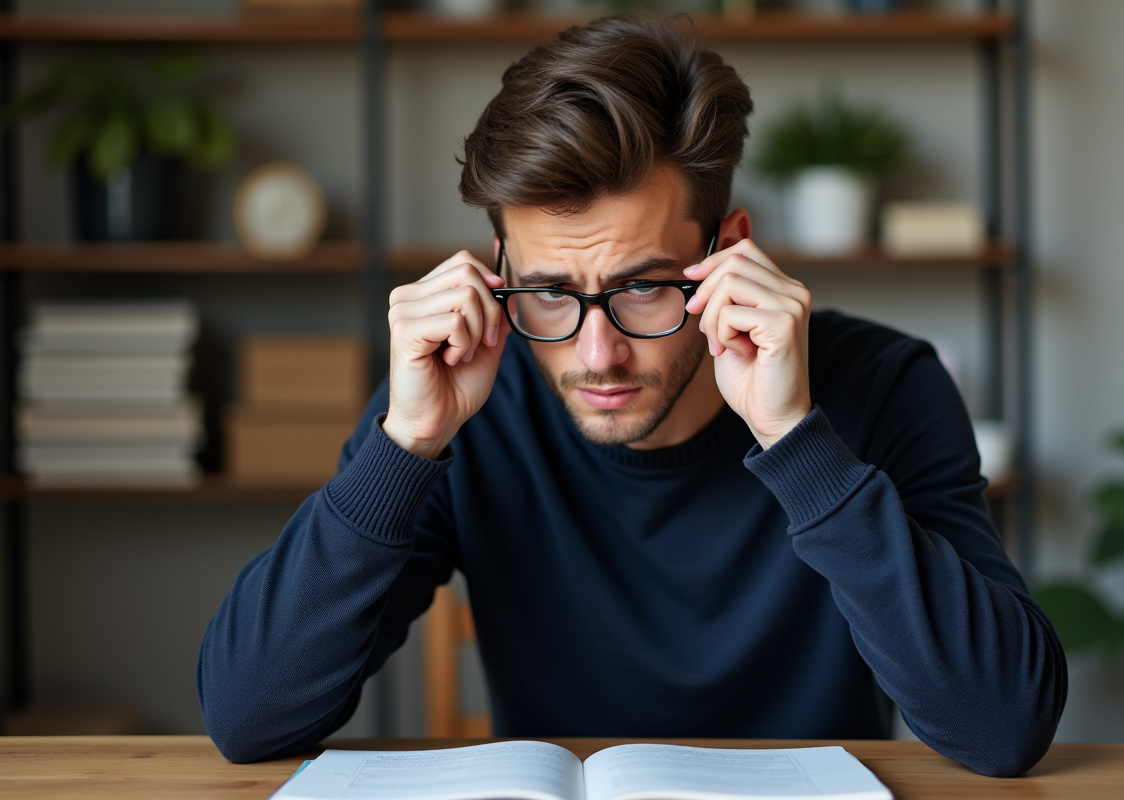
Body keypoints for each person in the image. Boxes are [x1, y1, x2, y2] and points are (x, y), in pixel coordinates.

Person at [197, 14, 1066, 777]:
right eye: (548, 294)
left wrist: (794, 436)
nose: (596, 351)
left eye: (644, 288)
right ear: (496, 273)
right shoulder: (463, 402)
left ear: (730, 252)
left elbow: (1001, 728)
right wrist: (404, 445)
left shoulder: (886, 387)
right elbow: (248, 718)